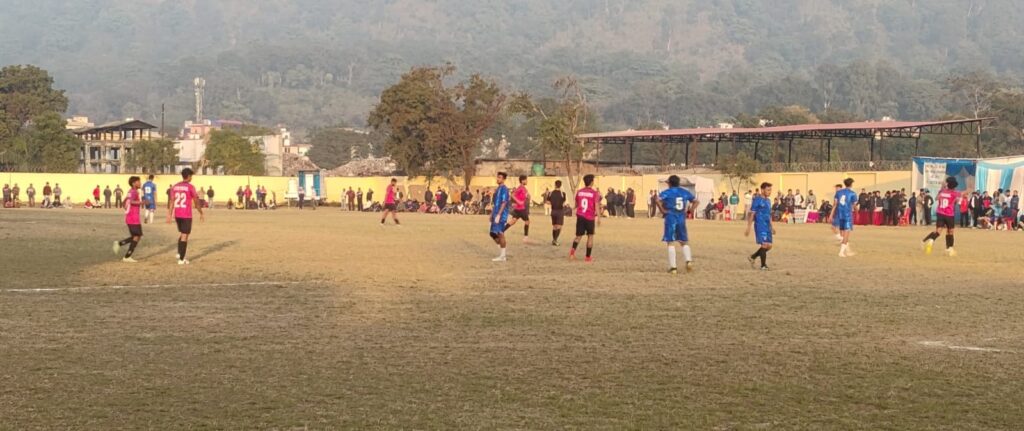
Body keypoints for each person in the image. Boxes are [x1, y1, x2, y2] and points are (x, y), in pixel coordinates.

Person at [657, 175, 698, 274]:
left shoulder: (667, 192)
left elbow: (657, 200)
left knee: (670, 242)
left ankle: (673, 267)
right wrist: (691, 210)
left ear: (670, 183)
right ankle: (688, 260)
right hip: (681, 218)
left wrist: (662, 210)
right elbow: (696, 201)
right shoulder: (684, 192)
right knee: (684, 241)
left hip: (670, 218)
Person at [166, 168, 204, 265]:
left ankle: (179, 253)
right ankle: (182, 259)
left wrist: (169, 214)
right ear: (189, 176)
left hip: (177, 214)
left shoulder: (174, 187)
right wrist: (201, 212)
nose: (192, 178)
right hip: (186, 214)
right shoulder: (190, 187)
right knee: (185, 236)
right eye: (191, 176)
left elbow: (172, 201)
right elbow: (196, 201)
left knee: (183, 234)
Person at [923, 177, 960, 257]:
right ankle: (949, 248)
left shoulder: (942, 191)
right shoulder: (954, 193)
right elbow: (957, 201)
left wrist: (942, 188)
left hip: (940, 213)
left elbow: (936, 198)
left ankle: (929, 241)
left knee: (938, 231)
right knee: (950, 231)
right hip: (949, 214)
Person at [113, 176, 145, 262]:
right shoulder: (133, 192)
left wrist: (127, 209)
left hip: (131, 217)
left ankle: (123, 250)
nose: (140, 183)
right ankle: (126, 255)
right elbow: (131, 201)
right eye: (138, 182)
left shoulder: (130, 191)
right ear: (134, 183)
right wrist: (142, 202)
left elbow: (124, 202)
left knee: (137, 236)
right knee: (137, 236)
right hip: (133, 218)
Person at [746, 182, 776, 271]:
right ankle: (763, 266)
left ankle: (753, 257)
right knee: (764, 244)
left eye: (770, 190)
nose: (769, 192)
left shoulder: (768, 201)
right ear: (762, 190)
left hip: (767, 226)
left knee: (769, 246)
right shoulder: (757, 200)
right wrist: (748, 227)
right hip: (760, 225)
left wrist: (772, 226)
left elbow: (769, 215)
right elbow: (752, 214)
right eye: (768, 190)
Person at [570, 174, 600, 263]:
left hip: (580, 216)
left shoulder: (579, 192)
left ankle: (572, 254)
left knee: (578, 236)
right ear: (591, 182)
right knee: (590, 236)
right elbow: (596, 206)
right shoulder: (594, 193)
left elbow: (576, 204)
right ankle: (587, 257)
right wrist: (599, 217)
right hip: (590, 217)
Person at [831, 178, 859, 258]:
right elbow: (854, 205)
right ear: (851, 184)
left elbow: (835, 204)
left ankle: (848, 251)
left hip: (839, 214)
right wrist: (857, 212)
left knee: (843, 234)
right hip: (847, 215)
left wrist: (831, 214)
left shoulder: (838, 192)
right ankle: (841, 252)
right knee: (846, 234)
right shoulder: (852, 193)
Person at [489, 172, 512, 262]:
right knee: (492, 233)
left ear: (503, 179)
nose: (498, 179)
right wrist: (492, 214)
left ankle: (503, 256)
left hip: (501, 215)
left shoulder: (504, 189)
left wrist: (499, 214)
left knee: (500, 233)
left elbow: (504, 202)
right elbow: (495, 203)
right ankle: (503, 251)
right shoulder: (498, 189)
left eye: (500, 177)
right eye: (497, 177)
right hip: (495, 213)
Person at [504, 175, 531, 242]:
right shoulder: (520, 188)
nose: (527, 181)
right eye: (526, 180)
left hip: (518, 209)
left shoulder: (524, 188)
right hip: (521, 209)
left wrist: (528, 197)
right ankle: (525, 237)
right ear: (522, 181)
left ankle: (501, 232)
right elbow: (512, 195)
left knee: (512, 221)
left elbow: (525, 196)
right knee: (527, 221)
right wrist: (518, 201)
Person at [547, 180, 568, 246]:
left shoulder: (550, 193)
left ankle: (554, 240)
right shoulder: (563, 193)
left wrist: (553, 202)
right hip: (559, 211)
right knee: (559, 226)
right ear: (560, 185)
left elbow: (548, 202)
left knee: (554, 226)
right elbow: (564, 203)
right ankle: (555, 240)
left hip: (553, 211)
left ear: (555, 185)